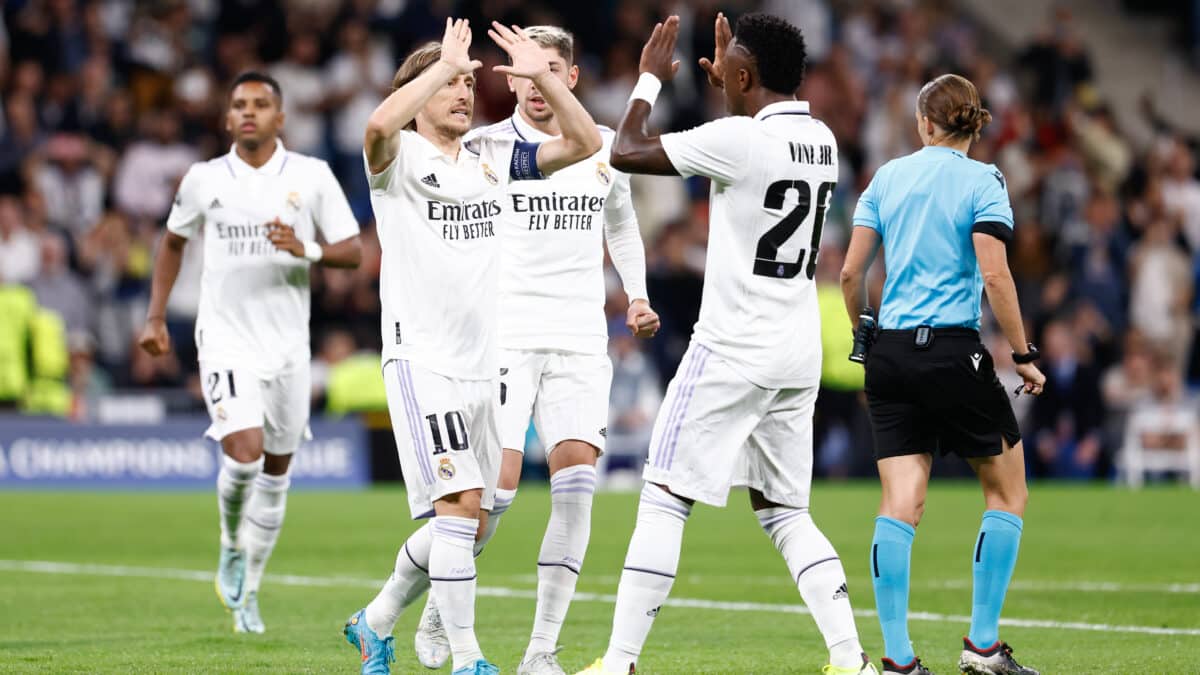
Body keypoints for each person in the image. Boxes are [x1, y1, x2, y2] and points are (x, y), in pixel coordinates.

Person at [581, 13, 875, 675]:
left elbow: (624, 150)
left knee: (662, 493)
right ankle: (851, 658)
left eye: (731, 72)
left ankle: (619, 662)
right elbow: (745, 149)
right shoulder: (822, 140)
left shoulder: (740, 138)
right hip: (796, 349)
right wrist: (734, 95)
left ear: (743, 75)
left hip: (733, 344)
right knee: (785, 511)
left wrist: (650, 82)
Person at [340, 19, 602, 675]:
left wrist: (541, 73)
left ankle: (375, 620)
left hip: (487, 365)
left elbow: (586, 141)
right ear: (420, 92)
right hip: (423, 359)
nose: (464, 92)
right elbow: (373, 128)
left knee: (477, 520)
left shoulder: (491, 162)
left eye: (467, 83)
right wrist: (439, 63)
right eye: (450, 84)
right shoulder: (398, 160)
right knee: (457, 507)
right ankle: (469, 659)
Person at [410, 24, 659, 675]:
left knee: (577, 488)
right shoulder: (487, 146)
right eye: (521, 70)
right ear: (509, 79)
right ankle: (443, 590)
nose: (533, 82)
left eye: (547, 69)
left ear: (570, 77)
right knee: (496, 494)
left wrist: (636, 294)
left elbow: (621, 224)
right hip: (504, 337)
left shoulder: (603, 148)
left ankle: (540, 650)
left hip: (579, 339)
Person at [138, 71, 363, 633]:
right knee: (244, 453)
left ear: (280, 117)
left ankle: (251, 590)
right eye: (239, 104)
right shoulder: (203, 179)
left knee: (278, 472)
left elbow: (353, 251)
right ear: (226, 117)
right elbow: (172, 242)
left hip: (288, 345)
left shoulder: (310, 177)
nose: (249, 112)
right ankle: (228, 545)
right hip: (225, 338)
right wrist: (156, 316)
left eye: (261, 104)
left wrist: (304, 247)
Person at [839, 73, 1045, 675]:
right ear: (974, 125)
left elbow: (851, 275)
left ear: (925, 124)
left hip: (891, 356)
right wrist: (1023, 352)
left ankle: (898, 661)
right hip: (954, 352)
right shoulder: (985, 180)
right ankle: (982, 648)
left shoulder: (886, 177)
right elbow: (995, 274)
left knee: (900, 502)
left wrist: (864, 333)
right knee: (1006, 491)